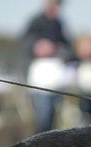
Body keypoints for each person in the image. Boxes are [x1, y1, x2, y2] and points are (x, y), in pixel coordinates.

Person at [23, 0, 71, 133]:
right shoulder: (35, 21)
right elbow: (25, 44)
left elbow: (67, 46)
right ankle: (40, 142)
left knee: (54, 113)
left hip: (56, 72)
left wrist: (56, 48)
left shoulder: (59, 24)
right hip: (39, 72)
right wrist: (37, 47)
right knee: (43, 113)